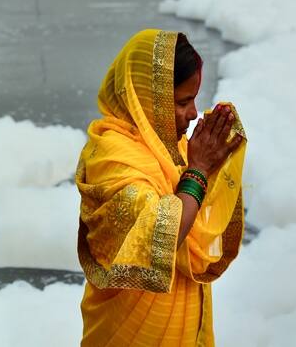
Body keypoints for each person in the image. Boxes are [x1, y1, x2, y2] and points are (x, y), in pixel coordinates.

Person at [76, 29, 247, 346]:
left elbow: (195, 215)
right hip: (128, 329)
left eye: (194, 99)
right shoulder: (111, 156)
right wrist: (199, 170)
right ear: (146, 99)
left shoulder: (171, 146)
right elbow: (160, 236)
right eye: (182, 102)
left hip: (181, 316)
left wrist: (213, 164)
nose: (193, 114)